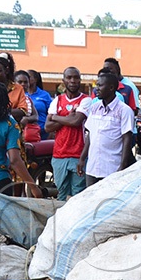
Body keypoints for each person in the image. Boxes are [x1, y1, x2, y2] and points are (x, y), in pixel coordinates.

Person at [77, 72, 137, 185]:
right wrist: (82, 158)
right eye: (96, 85)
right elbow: (90, 134)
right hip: (92, 167)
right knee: (91, 200)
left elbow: (127, 139)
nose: (96, 89)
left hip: (112, 168)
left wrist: (123, 166)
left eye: (100, 85)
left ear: (111, 87)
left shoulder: (124, 110)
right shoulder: (94, 107)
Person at [45, 67, 90, 200]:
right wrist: (67, 119)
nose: (73, 81)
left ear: (80, 80)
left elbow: (76, 121)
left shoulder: (86, 100)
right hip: (59, 155)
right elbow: (47, 127)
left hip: (79, 154)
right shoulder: (57, 100)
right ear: (63, 80)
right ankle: (60, 221)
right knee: (61, 194)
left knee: (78, 195)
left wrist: (56, 117)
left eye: (76, 78)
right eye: (69, 77)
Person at [0, 54, 39, 144]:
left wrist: (0, 112)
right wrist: (9, 111)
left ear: (7, 70)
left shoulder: (18, 88)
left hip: (13, 132)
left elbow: (23, 111)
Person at [26, 69, 53, 139]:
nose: (26, 78)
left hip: (43, 132)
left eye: (29, 76)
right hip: (25, 132)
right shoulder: (22, 94)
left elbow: (51, 114)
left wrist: (51, 132)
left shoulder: (45, 95)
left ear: (35, 79)